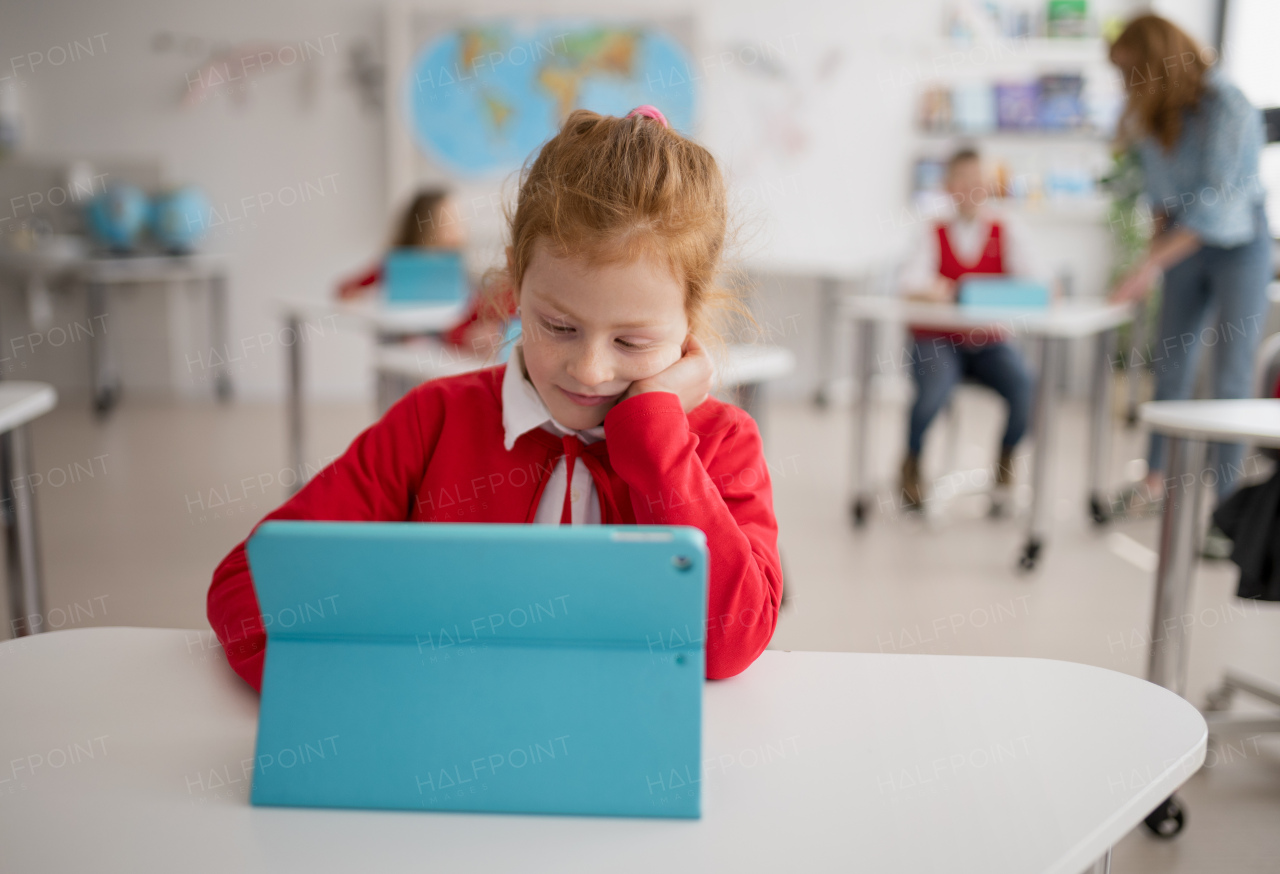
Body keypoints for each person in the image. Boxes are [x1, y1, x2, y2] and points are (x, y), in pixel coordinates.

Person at [207, 105, 783, 691]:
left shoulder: (721, 443)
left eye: (632, 340)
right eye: (558, 326)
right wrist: (396, 678)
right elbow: (248, 590)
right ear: (514, 285)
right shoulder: (433, 421)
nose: (589, 368)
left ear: (691, 317)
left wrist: (656, 437)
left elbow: (729, 644)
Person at [1108, 14, 1271, 514]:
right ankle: (1155, 479)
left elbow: (1217, 207)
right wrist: (1153, 252)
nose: (1126, 82)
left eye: (1132, 69)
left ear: (1156, 62)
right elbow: (1163, 197)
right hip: (1179, 238)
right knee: (1172, 365)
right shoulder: (1152, 114)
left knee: (1232, 375)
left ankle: (1225, 505)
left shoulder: (1229, 105)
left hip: (1237, 241)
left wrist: (1151, 264)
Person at [896, 148, 1037, 511]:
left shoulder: (1008, 231)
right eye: (963, 182)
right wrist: (930, 290)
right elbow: (911, 282)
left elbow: (1034, 285)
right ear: (949, 186)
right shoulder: (931, 231)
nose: (972, 190)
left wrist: (955, 290)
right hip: (937, 340)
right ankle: (911, 464)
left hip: (988, 342)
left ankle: (1005, 467)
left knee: (1024, 387)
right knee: (933, 392)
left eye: (979, 182)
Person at [337, 187, 505, 353]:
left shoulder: (463, 273)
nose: (458, 229)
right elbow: (346, 289)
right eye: (449, 220)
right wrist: (361, 299)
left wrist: (475, 335)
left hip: (443, 354)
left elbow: (471, 318)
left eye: (458, 220)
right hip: (399, 352)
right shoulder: (393, 267)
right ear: (425, 224)